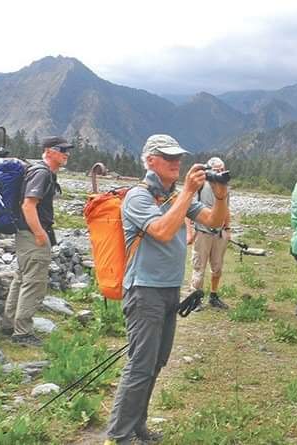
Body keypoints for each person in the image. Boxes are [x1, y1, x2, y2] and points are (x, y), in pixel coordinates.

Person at [104, 134, 228, 445]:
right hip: (144, 290)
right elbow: (160, 231)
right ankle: (118, 435)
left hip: (169, 290)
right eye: (168, 157)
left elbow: (213, 220)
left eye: (178, 157)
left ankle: (137, 426)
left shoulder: (175, 196)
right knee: (140, 364)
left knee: (156, 362)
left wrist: (221, 195)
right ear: (150, 161)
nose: (176, 162)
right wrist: (187, 191)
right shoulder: (138, 197)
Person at [2, 136, 72, 346]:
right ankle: (22, 333)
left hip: (25, 234)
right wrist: (40, 233)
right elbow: (28, 205)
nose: (67, 154)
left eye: (68, 150)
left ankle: (10, 323)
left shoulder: (38, 171)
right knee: (34, 282)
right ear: (49, 151)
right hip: (33, 236)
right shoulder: (41, 173)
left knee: (22, 277)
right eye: (62, 150)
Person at [187, 156, 232, 310]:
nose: (220, 173)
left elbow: (226, 209)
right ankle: (195, 298)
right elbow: (188, 205)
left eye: (222, 170)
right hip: (202, 232)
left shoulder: (226, 187)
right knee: (199, 266)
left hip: (219, 234)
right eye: (217, 170)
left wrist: (227, 229)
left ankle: (213, 296)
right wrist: (190, 231)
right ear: (210, 170)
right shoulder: (200, 184)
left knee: (217, 267)